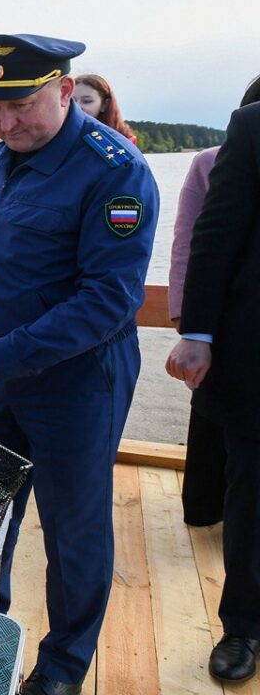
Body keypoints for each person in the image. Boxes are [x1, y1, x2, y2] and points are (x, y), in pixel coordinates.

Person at [0, 34, 158, 695]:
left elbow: (109, 301)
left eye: (21, 106)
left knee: (74, 530)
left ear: (65, 90)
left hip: (78, 387)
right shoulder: (1, 158)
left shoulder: (115, 170)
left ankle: (62, 668)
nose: (4, 123)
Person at [165, 92, 260, 685]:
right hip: (257, 349)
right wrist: (196, 332)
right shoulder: (252, 127)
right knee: (252, 492)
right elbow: (215, 234)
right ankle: (244, 623)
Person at [168, 75, 260, 528]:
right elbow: (199, 241)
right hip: (235, 331)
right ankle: (205, 510)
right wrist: (192, 325)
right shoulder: (229, 147)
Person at [73, 74, 137, 144]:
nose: (77, 106)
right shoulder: (62, 136)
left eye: (87, 101)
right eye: (72, 101)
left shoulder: (123, 142)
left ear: (104, 104)